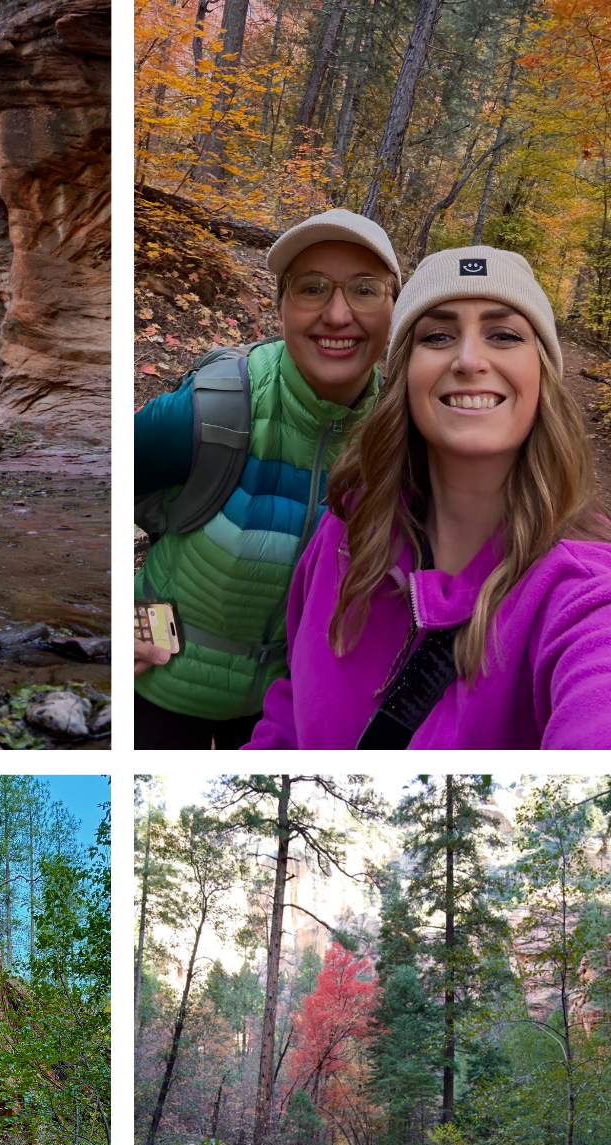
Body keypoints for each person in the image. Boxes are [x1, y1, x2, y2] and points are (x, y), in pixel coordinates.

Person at [247, 245, 611, 749]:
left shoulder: (583, 593)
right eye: (437, 336)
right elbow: (292, 705)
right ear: (405, 376)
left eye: (504, 335)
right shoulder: (349, 529)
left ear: (544, 374)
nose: (468, 360)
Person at [134, 209, 400, 747]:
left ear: (395, 310)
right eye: (312, 288)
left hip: (285, 717)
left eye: (366, 290)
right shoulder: (212, 411)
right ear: (279, 309)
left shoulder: (403, 437)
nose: (338, 313)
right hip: (159, 688)